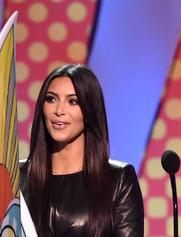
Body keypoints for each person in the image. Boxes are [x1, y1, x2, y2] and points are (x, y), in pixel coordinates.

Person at [20, 64, 144, 237]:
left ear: (90, 111)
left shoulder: (118, 180)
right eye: (51, 99)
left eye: (73, 101)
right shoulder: (16, 177)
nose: (59, 111)